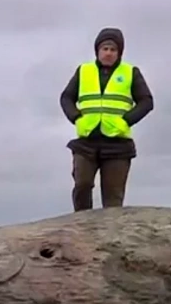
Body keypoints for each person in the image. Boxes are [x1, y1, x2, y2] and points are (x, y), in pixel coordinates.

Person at [58, 27, 154, 211]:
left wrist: (126, 121)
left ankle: (110, 236)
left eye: (113, 49)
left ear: (119, 53)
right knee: (82, 185)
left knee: (112, 199)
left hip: (117, 143)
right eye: (105, 49)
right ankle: (81, 225)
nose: (108, 53)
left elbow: (147, 102)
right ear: (97, 51)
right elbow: (66, 98)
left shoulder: (130, 72)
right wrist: (76, 118)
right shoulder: (84, 71)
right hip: (87, 140)